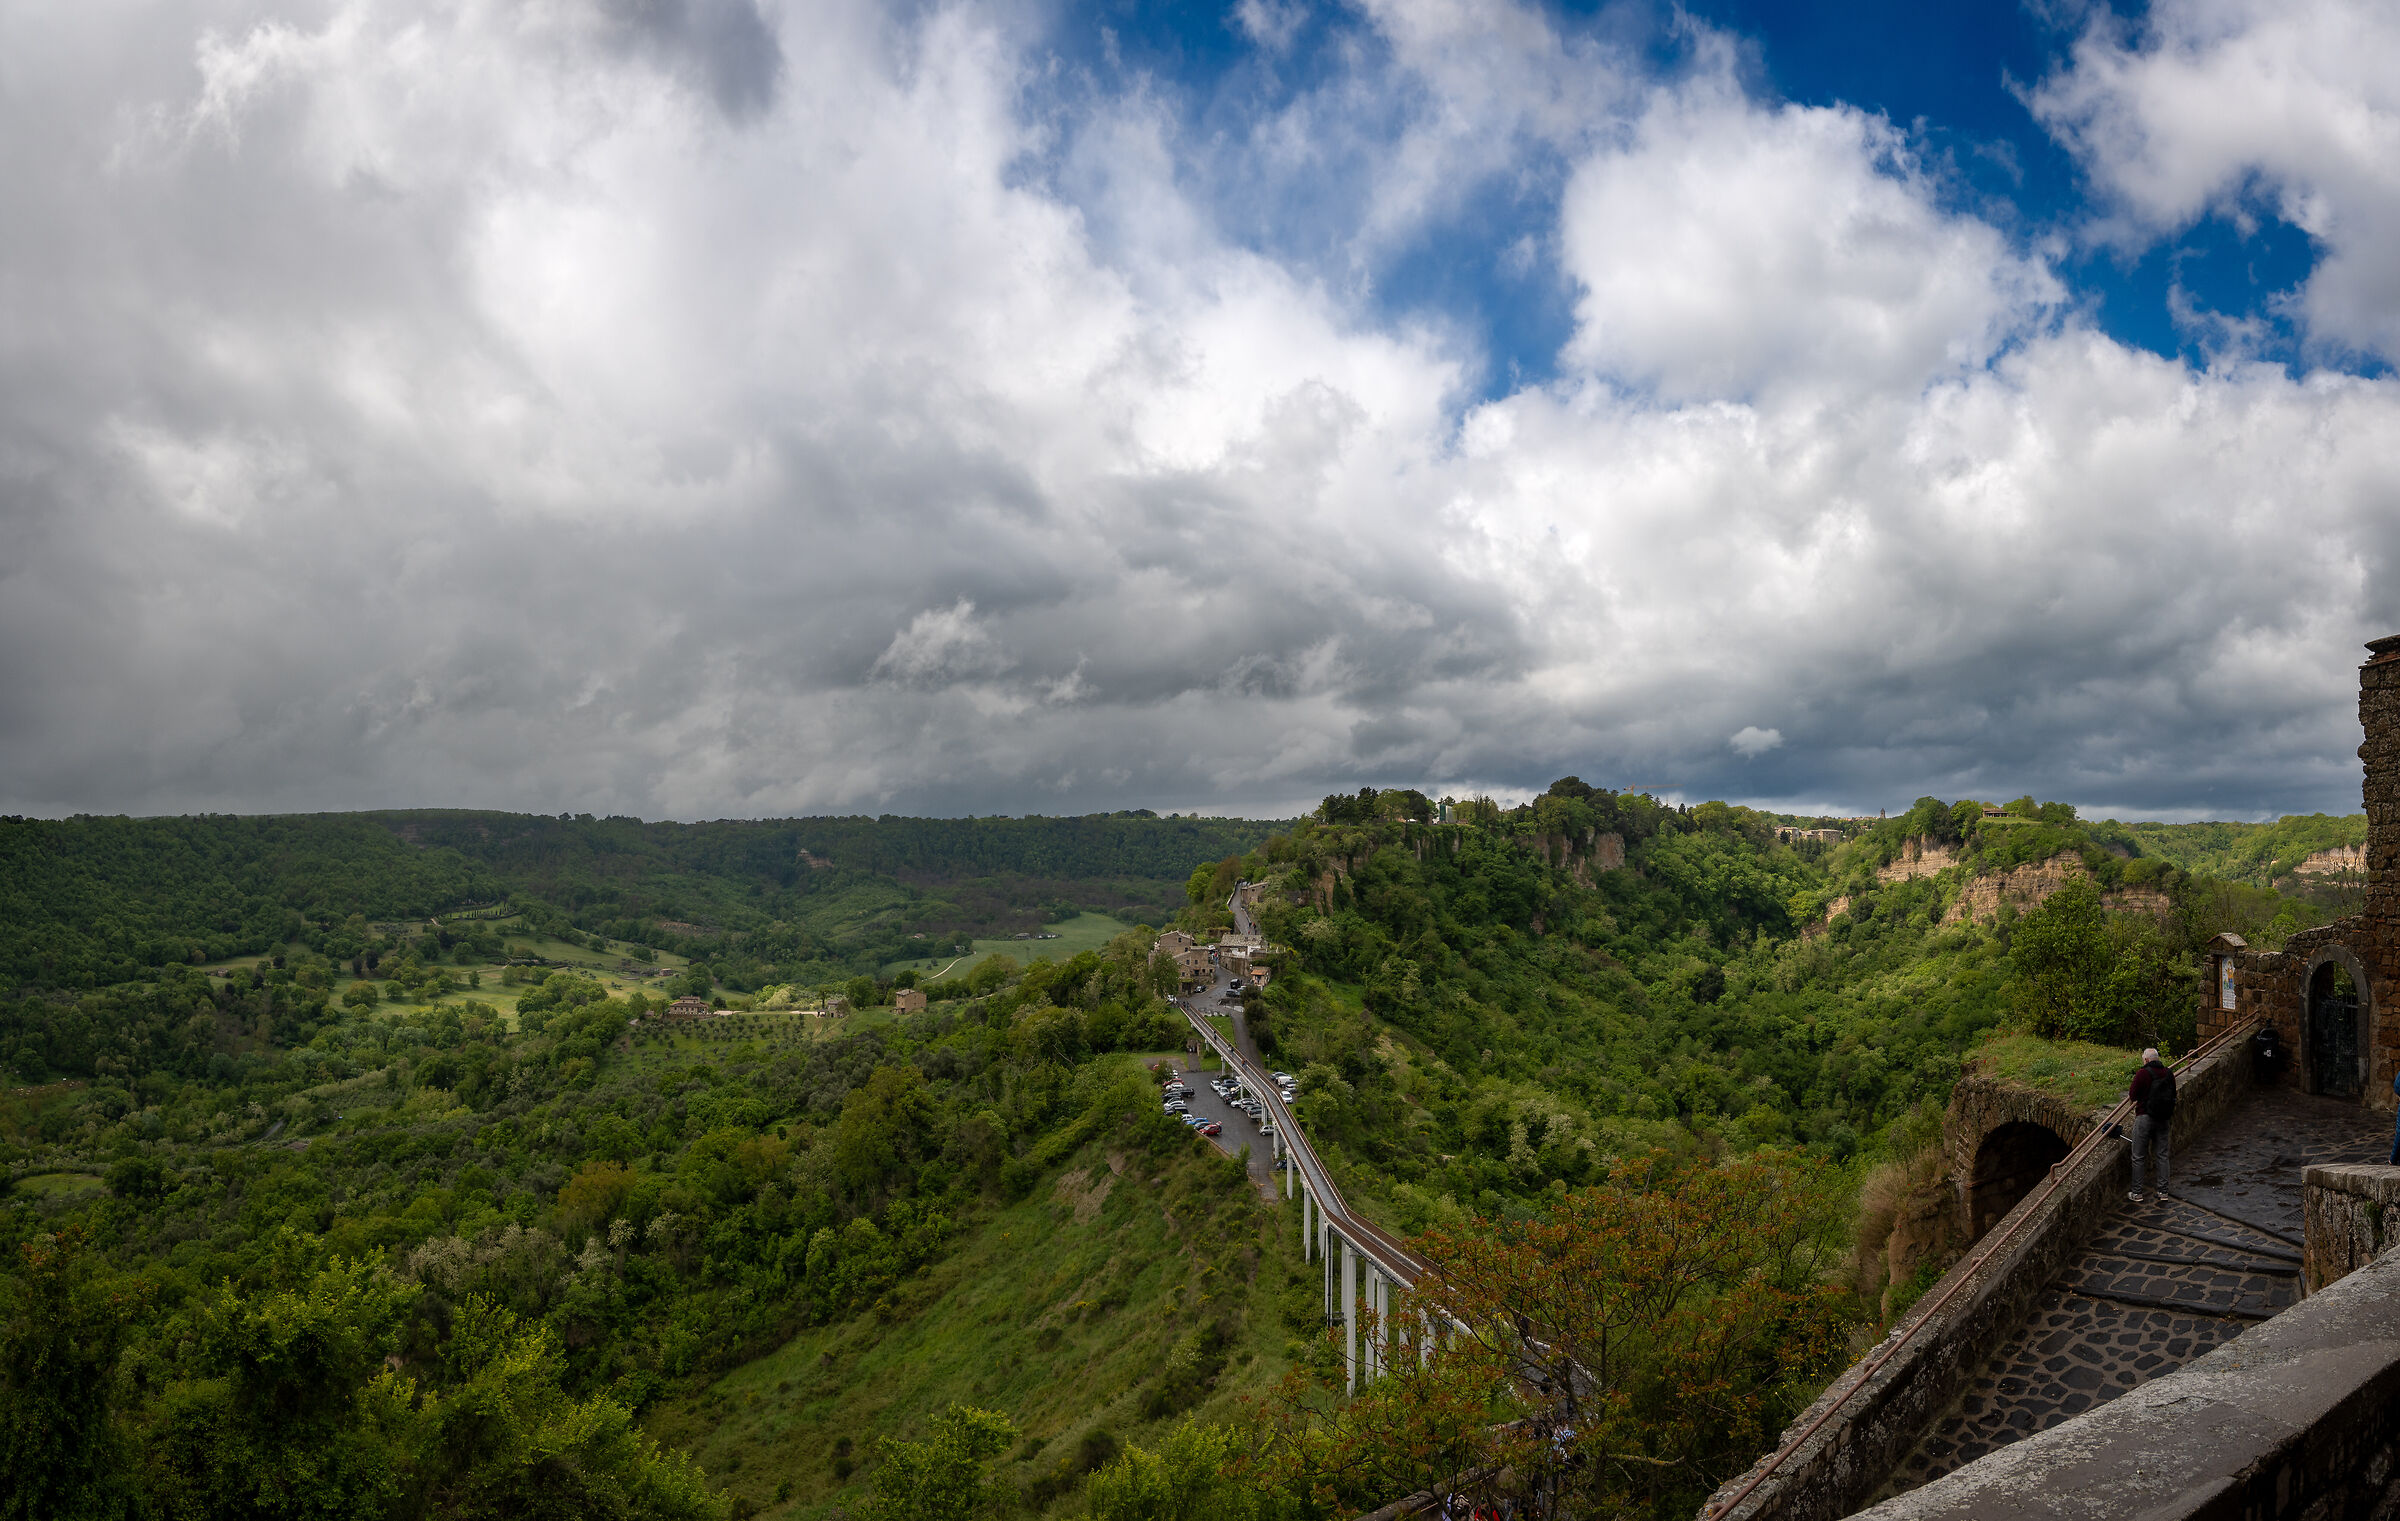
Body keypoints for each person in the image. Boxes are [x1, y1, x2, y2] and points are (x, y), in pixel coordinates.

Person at [2126, 1047, 2176, 1202]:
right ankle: (2163, 1192)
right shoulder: (2168, 1073)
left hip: (2144, 1117)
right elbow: (2174, 1094)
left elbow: (2133, 1095)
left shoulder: (2142, 1073)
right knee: (2162, 1155)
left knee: (2138, 1156)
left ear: (2146, 1060)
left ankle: (2137, 1193)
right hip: (2163, 1118)